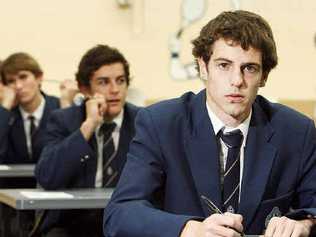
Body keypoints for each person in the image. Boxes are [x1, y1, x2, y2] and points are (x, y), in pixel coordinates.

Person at [103, 10, 316, 237]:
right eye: (224, 65)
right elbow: (120, 214)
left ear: (264, 76)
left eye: (250, 68)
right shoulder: (161, 124)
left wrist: (305, 224)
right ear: (203, 67)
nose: (237, 81)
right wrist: (190, 229)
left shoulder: (296, 131)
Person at [35, 44, 140, 237]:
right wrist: (89, 125)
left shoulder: (143, 122)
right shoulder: (64, 120)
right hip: (75, 223)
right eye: (103, 82)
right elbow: (47, 177)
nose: (115, 89)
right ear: (85, 88)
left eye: (120, 80)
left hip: (128, 222)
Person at [0, 52, 61, 187]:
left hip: (52, 191)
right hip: (11, 194)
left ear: (39, 77)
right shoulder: (6, 115)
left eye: (23, 77)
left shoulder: (59, 108)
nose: (18, 86)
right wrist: (5, 105)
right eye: (11, 81)